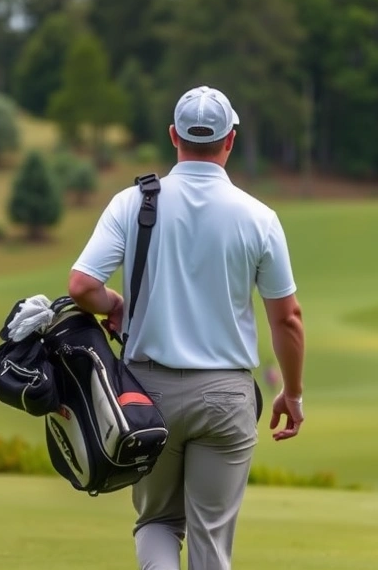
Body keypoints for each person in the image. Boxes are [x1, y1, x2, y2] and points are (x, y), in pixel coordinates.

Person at [67, 85, 306, 570]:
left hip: (146, 393)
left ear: (174, 135)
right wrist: (293, 394)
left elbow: (81, 286)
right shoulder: (260, 218)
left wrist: (114, 303)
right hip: (226, 397)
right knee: (211, 539)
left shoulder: (131, 202)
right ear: (230, 140)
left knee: (156, 522)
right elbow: (288, 318)